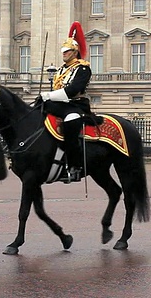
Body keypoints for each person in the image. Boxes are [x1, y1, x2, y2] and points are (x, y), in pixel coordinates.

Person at [40, 21, 92, 182]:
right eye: (63, 50)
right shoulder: (61, 70)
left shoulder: (83, 68)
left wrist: (49, 96)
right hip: (60, 105)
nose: (64, 53)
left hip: (76, 105)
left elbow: (73, 90)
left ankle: (74, 166)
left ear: (75, 52)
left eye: (67, 51)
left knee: (71, 122)